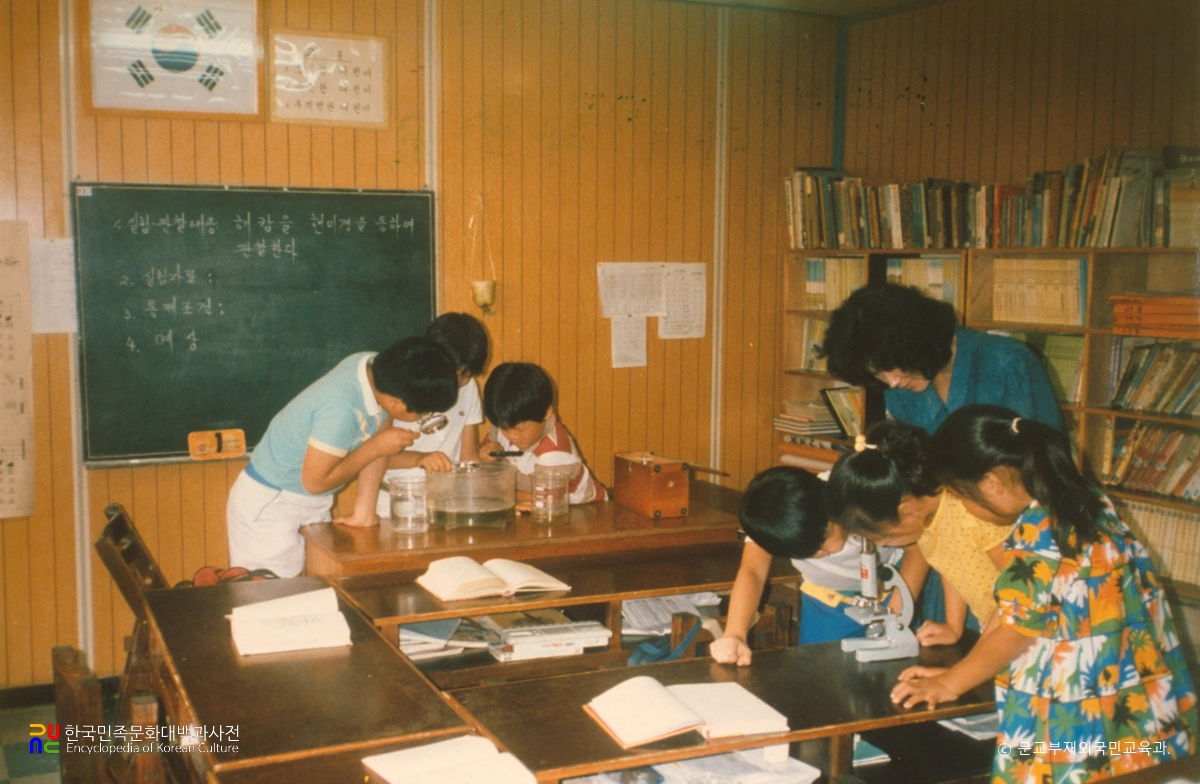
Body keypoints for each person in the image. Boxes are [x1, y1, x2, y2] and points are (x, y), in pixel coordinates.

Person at [892, 405, 1198, 783]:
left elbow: (1016, 630)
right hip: (1127, 686)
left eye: (961, 495)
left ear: (991, 483)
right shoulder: (1089, 502)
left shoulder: (1037, 534)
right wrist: (957, 671)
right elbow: (1012, 611)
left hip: (1071, 704)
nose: (965, 508)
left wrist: (950, 683)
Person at [226, 337, 459, 577]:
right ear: (396, 401)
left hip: (308, 501)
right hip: (272, 504)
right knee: (271, 599)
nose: (425, 416)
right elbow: (316, 481)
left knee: (316, 589)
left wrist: (365, 512)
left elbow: (378, 443)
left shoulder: (375, 369)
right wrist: (377, 446)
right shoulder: (341, 410)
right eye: (422, 412)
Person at [709, 465, 924, 666]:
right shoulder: (772, 520)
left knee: (901, 667)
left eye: (828, 534)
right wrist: (735, 634)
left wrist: (894, 615)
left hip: (894, 591)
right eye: (813, 552)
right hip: (826, 604)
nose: (831, 549)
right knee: (820, 676)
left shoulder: (860, 492)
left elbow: (919, 550)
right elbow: (752, 572)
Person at [827, 421, 1017, 645]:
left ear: (907, 510)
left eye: (884, 538)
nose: (887, 546)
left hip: (1029, 625)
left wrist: (971, 664)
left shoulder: (974, 514)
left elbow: (1017, 591)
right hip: (998, 625)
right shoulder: (927, 522)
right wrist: (953, 626)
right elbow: (952, 567)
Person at [821, 283, 1063, 434]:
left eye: (889, 366)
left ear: (913, 342)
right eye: (877, 373)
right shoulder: (898, 389)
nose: (891, 382)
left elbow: (1042, 461)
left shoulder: (1007, 363)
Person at [372, 312, 489, 518]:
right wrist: (420, 459)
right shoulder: (401, 388)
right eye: (455, 374)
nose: (459, 383)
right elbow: (375, 456)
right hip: (394, 501)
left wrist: (488, 497)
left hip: (445, 502)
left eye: (466, 375)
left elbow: (468, 455)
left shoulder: (469, 387)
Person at [478, 362, 606, 506]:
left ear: (546, 413)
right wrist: (487, 453)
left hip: (585, 511)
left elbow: (547, 499)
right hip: (533, 503)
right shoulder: (506, 423)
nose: (512, 436)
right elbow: (482, 458)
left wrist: (496, 492)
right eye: (504, 428)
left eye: (520, 429)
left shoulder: (554, 452)